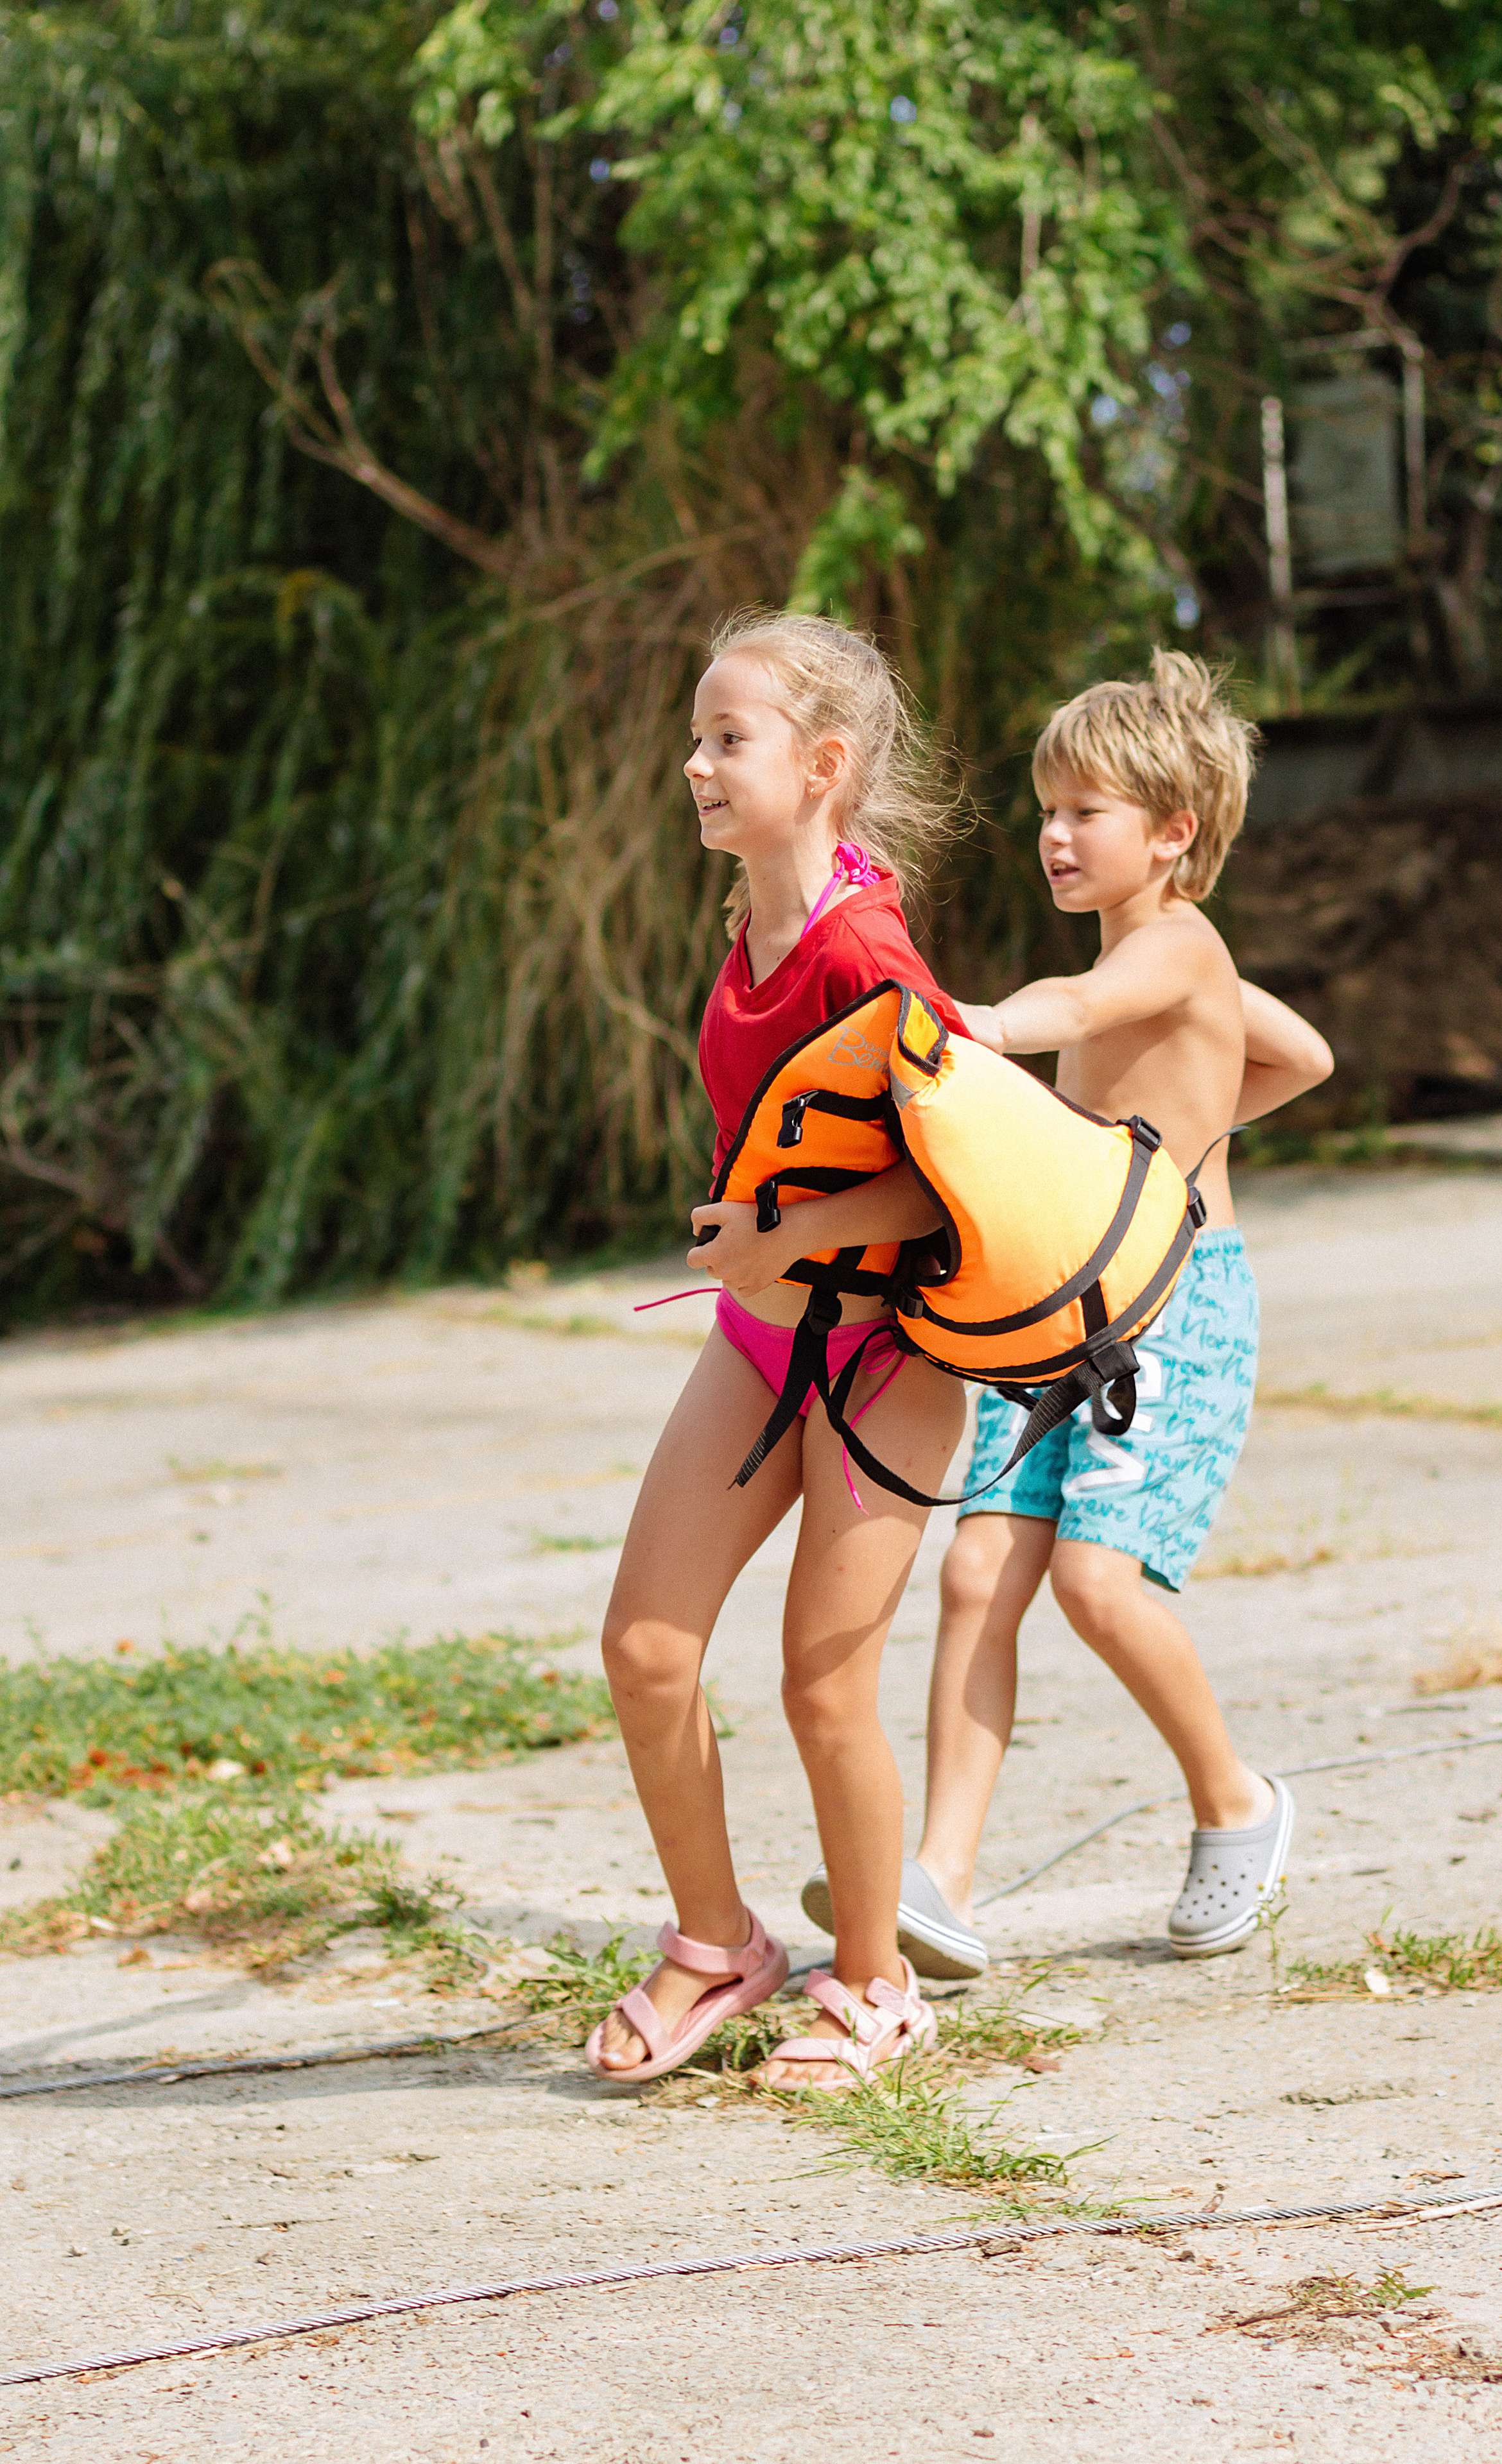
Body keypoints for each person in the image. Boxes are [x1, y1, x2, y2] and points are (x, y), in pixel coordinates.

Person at [816, 651, 1333, 1981]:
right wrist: (1192, 1109)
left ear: (1171, 832)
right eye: (1046, 808)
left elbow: (1078, 1009)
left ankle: (1235, 1802)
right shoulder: (1173, 958)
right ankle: (937, 1874)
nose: (1051, 834)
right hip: (1055, 1313)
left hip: (1171, 1314)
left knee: (1098, 1585)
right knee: (980, 1573)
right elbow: (1303, 1056)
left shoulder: (1169, 945)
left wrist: (975, 1022)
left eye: (1082, 811)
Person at [586, 609, 971, 2091]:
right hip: (760, 1340)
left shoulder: (863, 944)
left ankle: (873, 1985)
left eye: (723, 739)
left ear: (821, 766)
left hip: (891, 1359)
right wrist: (766, 1257)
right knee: (645, 1648)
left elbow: (967, 1168)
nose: (693, 764)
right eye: (694, 737)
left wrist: (787, 1239)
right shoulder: (749, 919)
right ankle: (714, 1945)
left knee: (824, 1688)